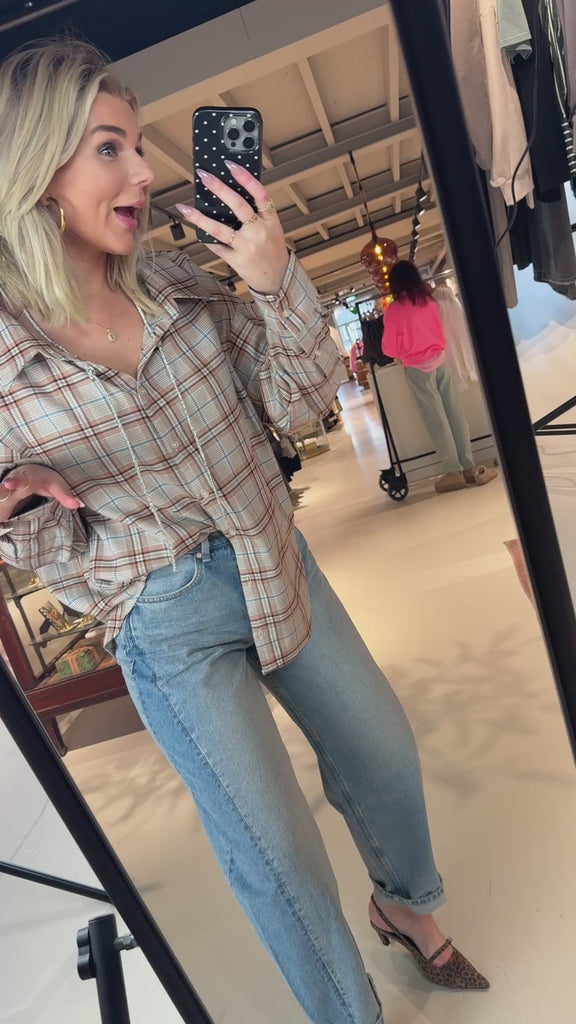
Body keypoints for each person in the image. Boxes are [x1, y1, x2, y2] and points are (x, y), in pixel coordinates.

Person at [0, 40, 489, 1024]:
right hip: (165, 618)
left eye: (139, 145)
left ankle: (402, 903)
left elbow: (299, 403)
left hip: (273, 557)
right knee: (277, 854)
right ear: (38, 171)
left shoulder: (181, 282)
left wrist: (275, 281)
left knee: (383, 753)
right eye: (109, 149)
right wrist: (17, 505)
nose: (145, 171)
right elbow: (40, 546)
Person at [382, 261, 497, 493]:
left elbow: (389, 349)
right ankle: (468, 467)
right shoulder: (429, 302)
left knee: (436, 419)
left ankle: (453, 471)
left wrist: (405, 349)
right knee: (455, 413)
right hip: (440, 361)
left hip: (417, 368)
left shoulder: (394, 310)